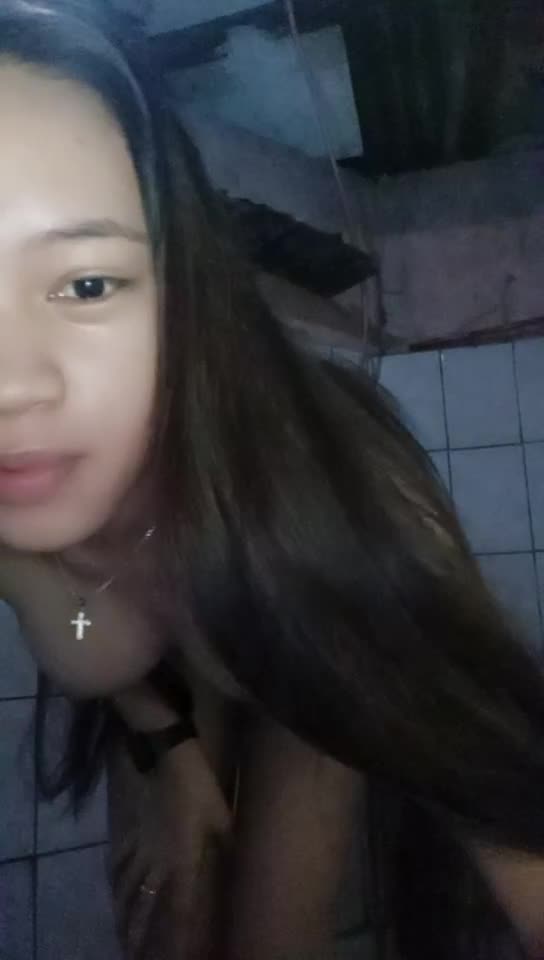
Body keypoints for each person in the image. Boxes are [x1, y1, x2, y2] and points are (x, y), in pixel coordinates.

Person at [0, 2, 544, 958]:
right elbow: (82, 633)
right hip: (190, 681)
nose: (10, 383)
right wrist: (168, 751)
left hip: (304, 667)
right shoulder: (27, 510)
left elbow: (505, 806)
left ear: (179, 289)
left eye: (85, 284)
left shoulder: (339, 519)